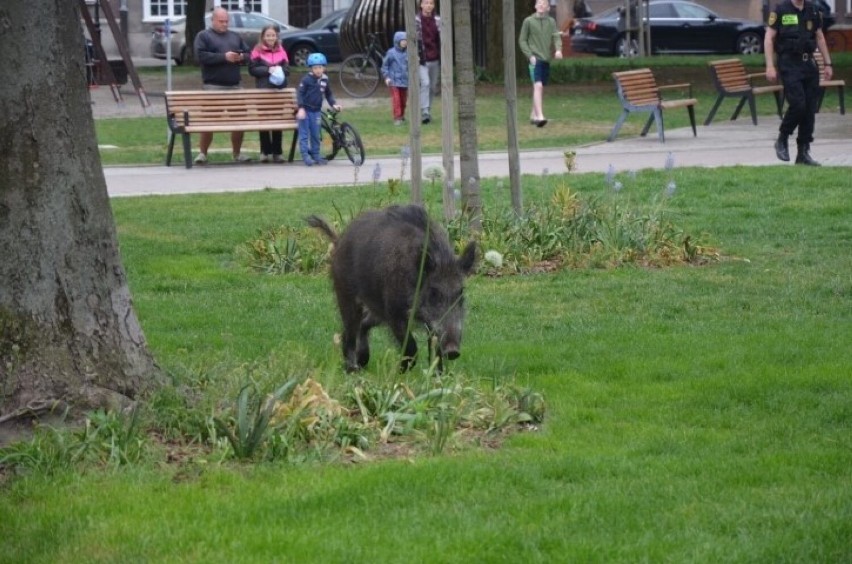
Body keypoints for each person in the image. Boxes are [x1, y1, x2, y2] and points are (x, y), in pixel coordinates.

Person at [765, 0, 834, 166]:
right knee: (798, 104)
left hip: (809, 64)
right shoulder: (781, 10)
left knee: (809, 108)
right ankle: (782, 138)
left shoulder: (813, 9)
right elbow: (769, 38)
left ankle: (803, 153)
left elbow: (819, 37)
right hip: (789, 63)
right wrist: (769, 65)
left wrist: (828, 63)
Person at [193, 7, 251, 164]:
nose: (224, 24)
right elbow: (200, 56)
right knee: (209, 121)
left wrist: (240, 57)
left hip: (234, 85)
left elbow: (249, 54)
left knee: (239, 121)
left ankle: (237, 153)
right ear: (213, 20)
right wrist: (223, 57)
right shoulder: (203, 36)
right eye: (221, 21)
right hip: (213, 85)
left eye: (226, 21)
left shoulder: (235, 36)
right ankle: (202, 153)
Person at [248, 25, 290, 163]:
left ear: (276, 36)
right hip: (263, 91)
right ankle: (265, 151)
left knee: (278, 121)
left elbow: (287, 70)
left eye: (273, 35)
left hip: (278, 91)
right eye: (268, 35)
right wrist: (268, 70)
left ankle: (277, 153)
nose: (271, 38)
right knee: (264, 121)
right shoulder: (257, 50)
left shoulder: (282, 50)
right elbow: (252, 69)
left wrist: (280, 70)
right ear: (263, 36)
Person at [519, 0, 563, 127]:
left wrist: (558, 50)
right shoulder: (528, 21)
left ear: (548, 8)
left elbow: (556, 36)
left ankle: (533, 115)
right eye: (539, 3)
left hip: (546, 59)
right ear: (535, 6)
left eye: (544, 4)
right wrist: (530, 55)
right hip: (534, 59)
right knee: (538, 86)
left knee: (540, 86)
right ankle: (540, 116)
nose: (541, 6)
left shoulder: (551, 22)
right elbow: (522, 40)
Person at [296, 52, 341, 166]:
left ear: (324, 68)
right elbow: (300, 94)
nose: (318, 70)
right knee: (304, 135)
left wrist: (334, 104)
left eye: (320, 67)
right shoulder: (306, 80)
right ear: (311, 68)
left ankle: (316, 155)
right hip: (305, 111)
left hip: (316, 112)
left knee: (316, 134)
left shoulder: (325, 79)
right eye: (315, 68)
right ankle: (305, 155)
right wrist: (301, 108)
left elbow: (328, 94)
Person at [415, 0, 441, 124]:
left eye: (431, 3)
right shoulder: (416, 21)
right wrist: (415, 55)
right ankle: (424, 111)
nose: (428, 5)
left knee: (432, 86)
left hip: (434, 58)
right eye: (426, 3)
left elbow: (442, 39)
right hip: (422, 59)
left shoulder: (438, 20)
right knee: (425, 83)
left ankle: (427, 111)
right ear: (421, 5)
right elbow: (412, 39)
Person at [382, 31, 410, 126]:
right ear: (397, 41)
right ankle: (397, 117)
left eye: (406, 41)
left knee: (403, 100)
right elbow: (385, 66)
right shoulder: (391, 53)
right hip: (394, 81)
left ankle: (402, 115)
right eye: (403, 41)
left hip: (404, 81)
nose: (405, 43)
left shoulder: (408, 53)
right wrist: (386, 77)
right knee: (396, 100)